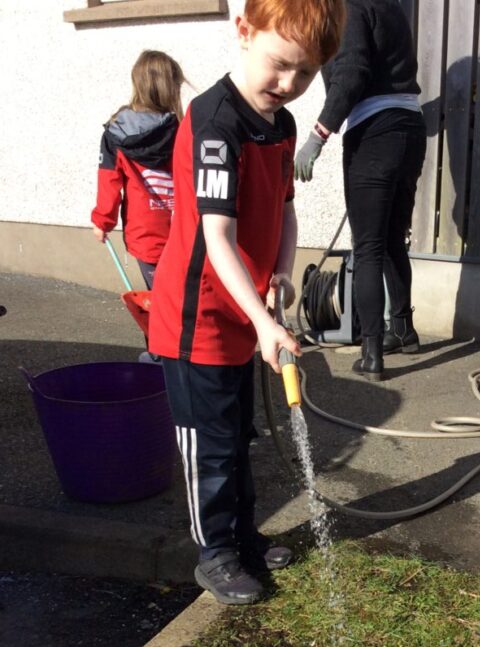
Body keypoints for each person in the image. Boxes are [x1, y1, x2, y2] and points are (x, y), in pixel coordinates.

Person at [147, 0, 346, 606]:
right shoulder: (215, 122)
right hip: (198, 319)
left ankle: (245, 537)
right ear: (244, 31)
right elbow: (217, 238)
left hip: (246, 314)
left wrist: (281, 273)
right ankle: (215, 553)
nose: (289, 83)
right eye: (280, 64)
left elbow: (285, 209)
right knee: (208, 444)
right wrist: (263, 322)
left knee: (239, 436)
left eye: (306, 73)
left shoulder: (280, 126)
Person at [294, 0, 426, 382]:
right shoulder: (391, 6)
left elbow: (352, 72)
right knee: (392, 240)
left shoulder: (350, 7)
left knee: (367, 247)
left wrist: (317, 136)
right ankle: (403, 330)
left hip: (373, 134)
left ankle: (371, 354)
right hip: (410, 128)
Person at [91, 50, 186, 289]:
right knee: (181, 298)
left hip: (145, 235)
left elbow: (109, 182)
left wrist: (102, 221)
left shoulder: (117, 132)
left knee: (160, 299)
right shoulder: (183, 130)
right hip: (183, 233)